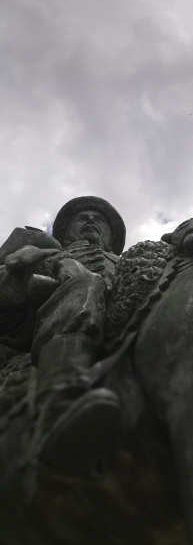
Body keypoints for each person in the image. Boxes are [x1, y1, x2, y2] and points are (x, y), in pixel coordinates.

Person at [0, 196, 126, 474]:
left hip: (118, 318)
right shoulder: (42, 252)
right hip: (39, 322)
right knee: (85, 283)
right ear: (66, 232)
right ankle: (59, 402)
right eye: (82, 217)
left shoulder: (129, 260)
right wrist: (32, 268)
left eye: (99, 219)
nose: (91, 220)